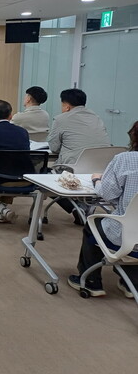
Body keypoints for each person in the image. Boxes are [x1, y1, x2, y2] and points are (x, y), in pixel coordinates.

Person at [68, 121, 138, 298]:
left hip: (126, 234)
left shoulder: (125, 159)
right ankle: (132, 283)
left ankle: (91, 282)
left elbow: (107, 194)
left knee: (93, 225)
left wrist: (97, 180)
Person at [48, 88, 110, 166]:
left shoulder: (60, 119)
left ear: (67, 107)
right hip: (102, 166)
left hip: (74, 167)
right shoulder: (96, 118)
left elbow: (54, 148)